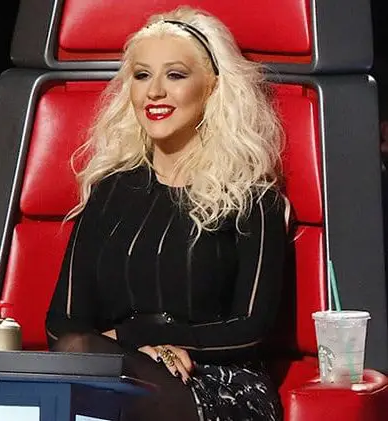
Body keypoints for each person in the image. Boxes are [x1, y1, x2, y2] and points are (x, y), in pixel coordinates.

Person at [46, 6, 288, 421]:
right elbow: (62, 323)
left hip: (218, 379)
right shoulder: (108, 191)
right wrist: (138, 349)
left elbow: (251, 328)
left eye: (175, 75)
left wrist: (143, 337)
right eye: (142, 75)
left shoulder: (253, 198)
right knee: (76, 353)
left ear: (212, 86)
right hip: (123, 370)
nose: (154, 91)